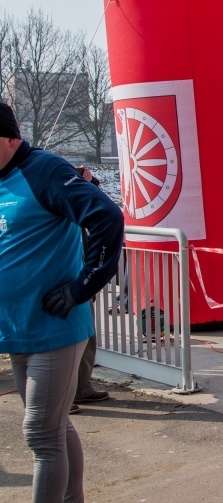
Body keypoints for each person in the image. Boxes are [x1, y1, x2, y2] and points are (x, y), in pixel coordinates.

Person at [0, 102, 124, 502]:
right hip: (17, 327)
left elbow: (107, 217)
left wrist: (81, 287)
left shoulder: (44, 170)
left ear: (8, 138)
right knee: (54, 428)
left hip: (54, 328)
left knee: (40, 434)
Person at [69, 165, 112, 416]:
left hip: (79, 273)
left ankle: (80, 388)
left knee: (85, 333)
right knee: (66, 339)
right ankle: (60, 395)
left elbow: (101, 209)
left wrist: (90, 182)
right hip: (62, 276)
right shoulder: (50, 195)